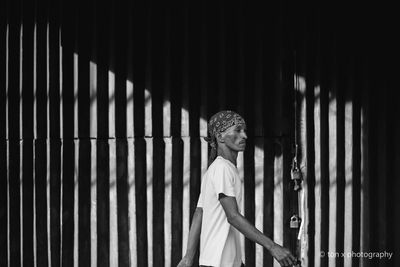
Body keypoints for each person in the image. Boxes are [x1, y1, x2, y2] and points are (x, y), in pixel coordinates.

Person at [177, 110, 297, 267]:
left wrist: (188, 258)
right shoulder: (222, 168)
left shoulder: (216, 169)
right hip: (219, 262)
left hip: (222, 261)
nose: (245, 136)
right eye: (238, 130)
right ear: (220, 137)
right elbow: (232, 216)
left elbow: (200, 213)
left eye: (244, 131)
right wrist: (272, 247)